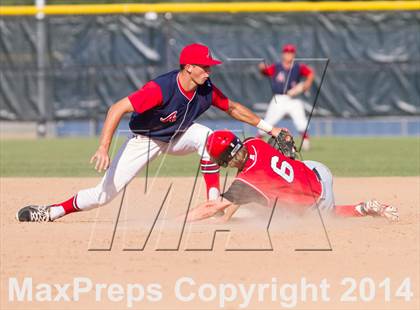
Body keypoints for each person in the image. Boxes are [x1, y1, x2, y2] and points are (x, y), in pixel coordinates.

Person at [16, 43, 287, 222]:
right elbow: (116, 108)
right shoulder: (161, 89)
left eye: (210, 66)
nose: (209, 70)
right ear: (188, 67)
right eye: (205, 66)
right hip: (145, 140)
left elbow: (234, 108)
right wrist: (103, 147)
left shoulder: (205, 89)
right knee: (103, 195)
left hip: (179, 135)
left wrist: (271, 129)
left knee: (208, 137)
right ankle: (50, 212)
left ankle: (212, 204)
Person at [185, 130, 399, 223]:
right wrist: (226, 217)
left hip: (318, 199)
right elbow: (242, 188)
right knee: (271, 194)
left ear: (225, 160)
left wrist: (173, 223)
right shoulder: (253, 142)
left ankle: (363, 208)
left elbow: (212, 206)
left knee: (325, 217)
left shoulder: (247, 180)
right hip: (315, 169)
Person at [258, 44, 314, 150]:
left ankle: (305, 141)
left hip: (293, 99)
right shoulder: (277, 67)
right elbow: (265, 71)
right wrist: (261, 69)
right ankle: (258, 140)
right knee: (268, 121)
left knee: (301, 121)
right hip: (279, 98)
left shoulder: (298, 67)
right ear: (283, 54)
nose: (289, 55)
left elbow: (310, 73)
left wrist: (307, 84)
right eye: (287, 52)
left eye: (291, 53)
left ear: (294, 54)